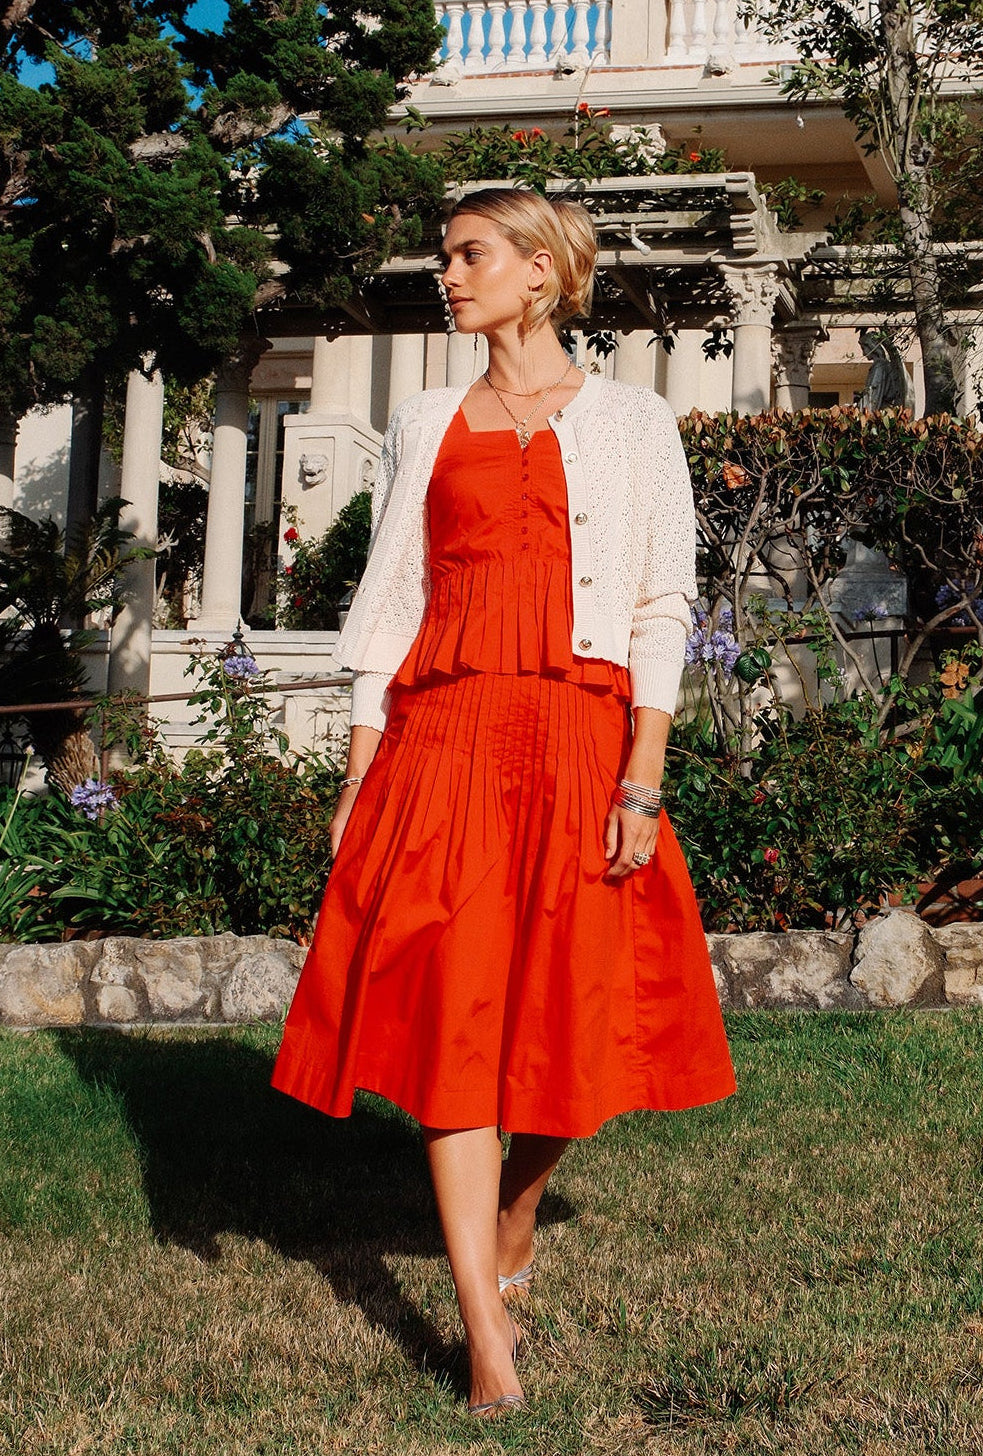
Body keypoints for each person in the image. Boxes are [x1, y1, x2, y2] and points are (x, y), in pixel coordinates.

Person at [271, 186, 736, 1417]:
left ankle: (519, 1205)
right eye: (444, 255)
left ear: (540, 271)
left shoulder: (636, 425)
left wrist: (645, 771)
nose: (448, 274)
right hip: (448, 737)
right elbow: (389, 602)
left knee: (588, 1010)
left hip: (582, 738)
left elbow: (657, 605)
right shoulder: (425, 421)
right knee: (456, 1026)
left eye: (469, 255)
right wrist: (360, 764)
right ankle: (486, 1337)